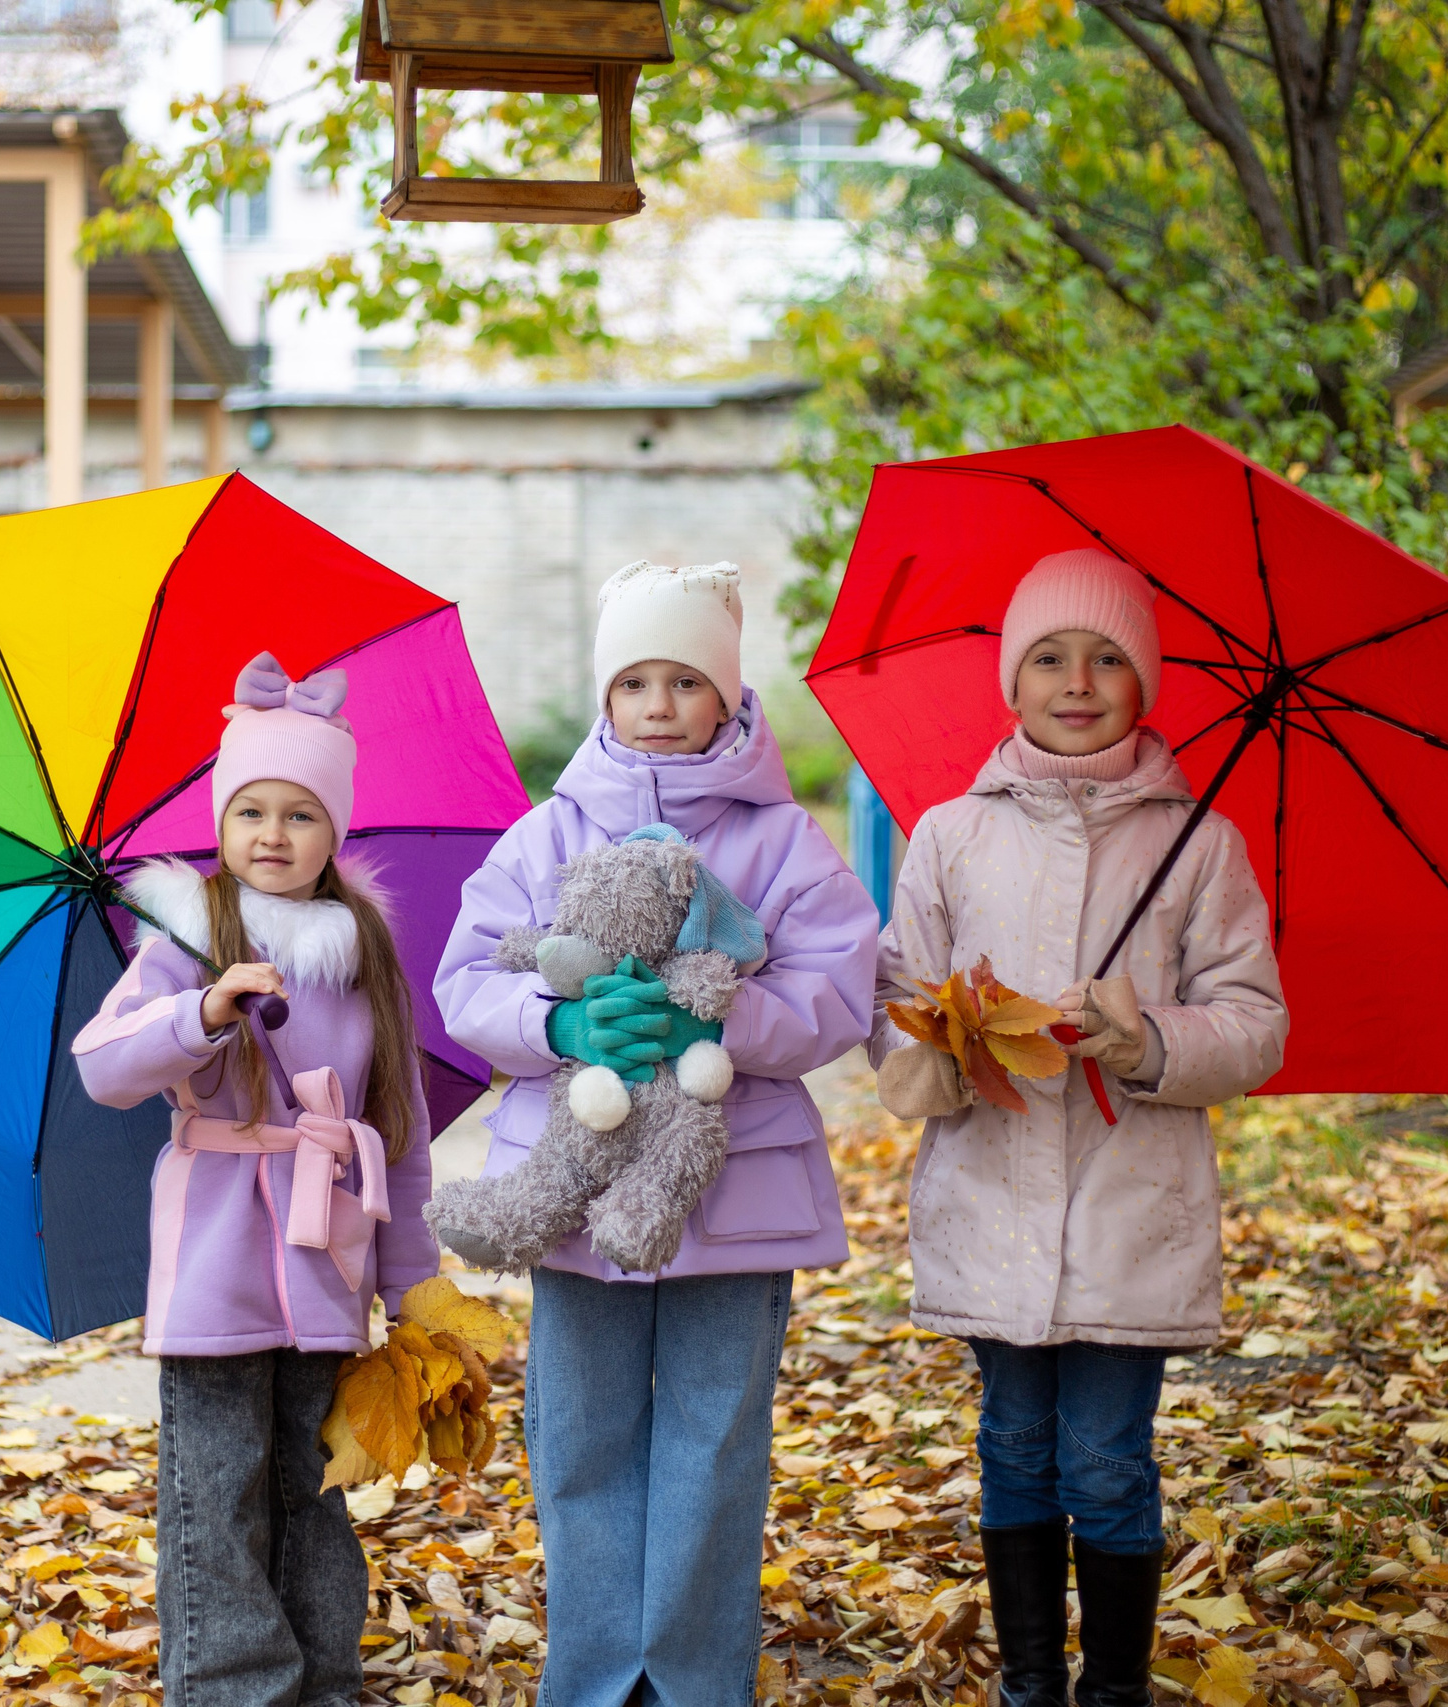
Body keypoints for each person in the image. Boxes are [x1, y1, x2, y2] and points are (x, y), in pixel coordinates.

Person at [436, 560, 878, 1707]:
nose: (661, 703)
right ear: (606, 697)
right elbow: (467, 980)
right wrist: (558, 1019)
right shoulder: (544, 836)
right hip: (577, 1190)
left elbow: (840, 990)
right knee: (578, 1440)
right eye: (636, 680)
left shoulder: (783, 842)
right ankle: (593, 1673)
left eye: (687, 680)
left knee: (712, 1439)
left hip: (731, 1194)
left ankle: (689, 1676)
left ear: (729, 697)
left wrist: (727, 1011)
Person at [869, 550, 1288, 1707]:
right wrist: (942, 1050)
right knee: (1011, 1446)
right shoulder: (949, 835)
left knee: (1105, 1462)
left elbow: (1255, 1024)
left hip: (1126, 1206)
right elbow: (893, 998)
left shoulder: (1198, 843)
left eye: (1108, 658)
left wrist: (1146, 1039)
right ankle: (1028, 1686)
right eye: (1049, 657)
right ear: (1011, 682)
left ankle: (1109, 1688)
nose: (1078, 679)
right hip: (992, 1195)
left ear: (1144, 681)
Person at [71, 651, 437, 1707]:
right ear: (222, 825)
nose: (272, 835)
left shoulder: (362, 953)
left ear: (336, 832)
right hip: (214, 1267)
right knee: (215, 1491)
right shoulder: (189, 938)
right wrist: (201, 1014)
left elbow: (395, 1135)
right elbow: (103, 1068)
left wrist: (411, 1288)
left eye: (301, 815)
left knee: (310, 1488)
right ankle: (230, 1686)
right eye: (251, 812)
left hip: (328, 1270)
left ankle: (320, 1678)